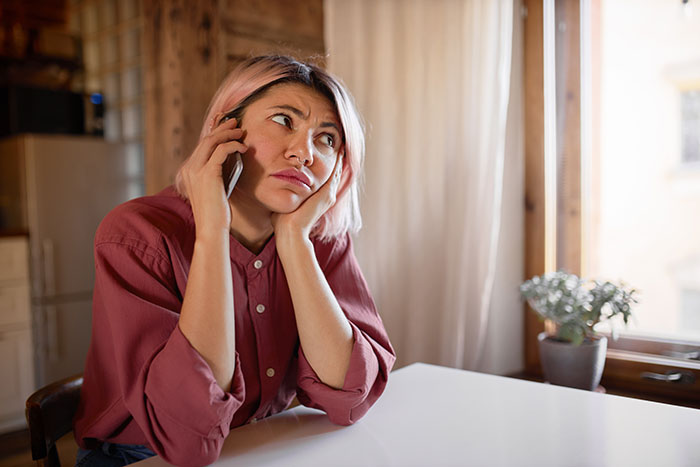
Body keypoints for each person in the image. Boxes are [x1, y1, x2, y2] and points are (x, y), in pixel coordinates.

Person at [73, 55, 396, 467]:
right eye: (284, 120)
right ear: (226, 129)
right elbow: (187, 438)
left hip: (261, 443)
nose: (305, 153)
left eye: (327, 139)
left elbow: (350, 396)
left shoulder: (321, 239)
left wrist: (294, 241)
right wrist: (211, 230)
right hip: (140, 456)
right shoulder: (136, 235)